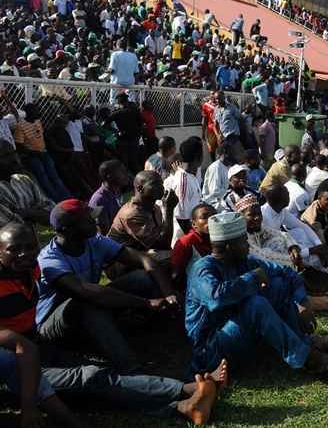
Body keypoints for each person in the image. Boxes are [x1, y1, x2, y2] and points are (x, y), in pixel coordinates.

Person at [0, 222, 224, 427]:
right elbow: (17, 348)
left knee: (97, 379)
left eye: (30, 247)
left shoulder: (29, 270)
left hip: (37, 346)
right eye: (14, 249)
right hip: (12, 366)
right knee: (89, 377)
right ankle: (186, 391)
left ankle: (184, 403)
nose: (24, 254)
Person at [184, 212, 328, 379]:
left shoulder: (242, 262)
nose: (248, 245)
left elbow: (288, 273)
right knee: (256, 305)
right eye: (243, 241)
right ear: (229, 246)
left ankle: (305, 342)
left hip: (239, 333)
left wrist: (302, 304)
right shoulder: (203, 269)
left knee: (278, 285)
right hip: (211, 348)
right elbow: (216, 299)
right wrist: (252, 277)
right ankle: (311, 360)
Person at [36, 199, 179, 374]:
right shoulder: (50, 260)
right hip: (54, 326)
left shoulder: (94, 242)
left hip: (91, 305)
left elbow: (144, 259)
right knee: (85, 304)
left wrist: (169, 294)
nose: (94, 221)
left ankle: (165, 322)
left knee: (142, 278)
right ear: (67, 229)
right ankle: (131, 368)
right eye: (87, 219)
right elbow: (86, 292)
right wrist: (146, 302)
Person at [235, 195, 328, 311]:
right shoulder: (242, 239)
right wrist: (296, 259)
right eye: (251, 215)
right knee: (298, 298)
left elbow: (282, 234)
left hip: (275, 274)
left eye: (258, 214)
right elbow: (264, 258)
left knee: (285, 245)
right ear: (241, 218)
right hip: (261, 286)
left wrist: (293, 247)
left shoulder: (259, 227)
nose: (257, 218)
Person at [109, 170, 178, 263]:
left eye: (161, 183)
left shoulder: (154, 208)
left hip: (140, 253)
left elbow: (162, 241)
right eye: (155, 184)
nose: (161, 187)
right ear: (140, 188)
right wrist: (169, 210)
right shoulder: (131, 214)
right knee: (173, 258)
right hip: (119, 262)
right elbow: (163, 245)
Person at [14, 103, 72, 202]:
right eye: (36, 110)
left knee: (54, 175)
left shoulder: (38, 122)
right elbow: (19, 146)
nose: (38, 112)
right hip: (32, 156)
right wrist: (32, 153)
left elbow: (42, 135)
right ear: (28, 112)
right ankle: (56, 199)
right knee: (44, 177)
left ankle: (67, 197)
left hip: (44, 152)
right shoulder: (21, 126)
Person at [0, 140, 54, 227]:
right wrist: (36, 212)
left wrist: (28, 213)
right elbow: (14, 228)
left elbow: (51, 214)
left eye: (14, 153)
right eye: (6, 156)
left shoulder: (23, 180)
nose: (15, 159)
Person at [164, 137, 204, 246]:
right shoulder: (183, 180)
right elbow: (182, 219)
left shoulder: (191, 175)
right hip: (184, 240)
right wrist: (198, 241)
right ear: (198, 158)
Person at [171, 203, 216, 288]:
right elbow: (176, 275)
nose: (210, 220)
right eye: (204, 217)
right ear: (194, 224)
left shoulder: (219, 238)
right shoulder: (186, 242)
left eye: (214, 217)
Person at [88, 159, 129, 234]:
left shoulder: (116, 190)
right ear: (109, 176)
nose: (126, 174)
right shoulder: (98, 200)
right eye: (121, 172)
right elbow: (103, 233)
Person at [202, 139, 243, 212]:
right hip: (213, 203)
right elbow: (214, 191)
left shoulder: (227, 167)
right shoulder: (216, 167)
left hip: (225, 200)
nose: (234, 156)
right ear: (225, 153)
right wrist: (232, 191)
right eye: (232, 153)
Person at [108, 92, 144, 175]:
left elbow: (105, 124)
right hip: (134, 139)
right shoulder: (135, 111)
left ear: (119, 103)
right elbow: (141, 124)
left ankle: (125, 183)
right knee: (134, 162)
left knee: (124, 164)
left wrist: (115, 131)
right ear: (127, 101)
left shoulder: (116, 113)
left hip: (122, 140)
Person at [107, 39, 139, 105]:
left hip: (117, 85)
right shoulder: (133, 56)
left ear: (117, 46)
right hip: (129, 85)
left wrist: (106, 71)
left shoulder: (115, 54)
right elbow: (136, 73)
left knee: (114, 104)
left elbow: (112, 70)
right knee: (130, 104)